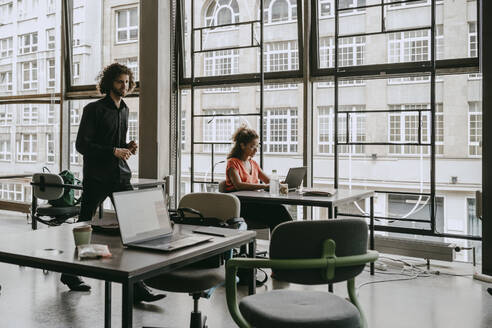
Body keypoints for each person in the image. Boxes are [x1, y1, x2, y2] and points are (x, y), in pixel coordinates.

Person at [59, 63, 165, 303]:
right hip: (97, 177)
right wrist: (113, 151)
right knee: (84, 227)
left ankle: (137, 286)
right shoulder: (93, 109)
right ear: (109, 83)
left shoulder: (125, 109)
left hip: (120, 176)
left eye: (127, 82)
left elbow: (115, 144)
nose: (124, 86)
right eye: (120, 81)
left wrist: (127, 148)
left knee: (133, 229)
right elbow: (82, 146)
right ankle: (69, 274)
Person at [225, 126, 292, 232]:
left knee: (279, 209)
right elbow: (238, 185)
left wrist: (279, 184)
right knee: (278, 211)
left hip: (254, 202)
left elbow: (268, 180)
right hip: (242, 205)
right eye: (252, 146)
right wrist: (265, 186)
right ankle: (286, 239)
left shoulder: (253, 163)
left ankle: (286, 238)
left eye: (257, 146)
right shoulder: (233, 163)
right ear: (242, 145)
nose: (256, 150)